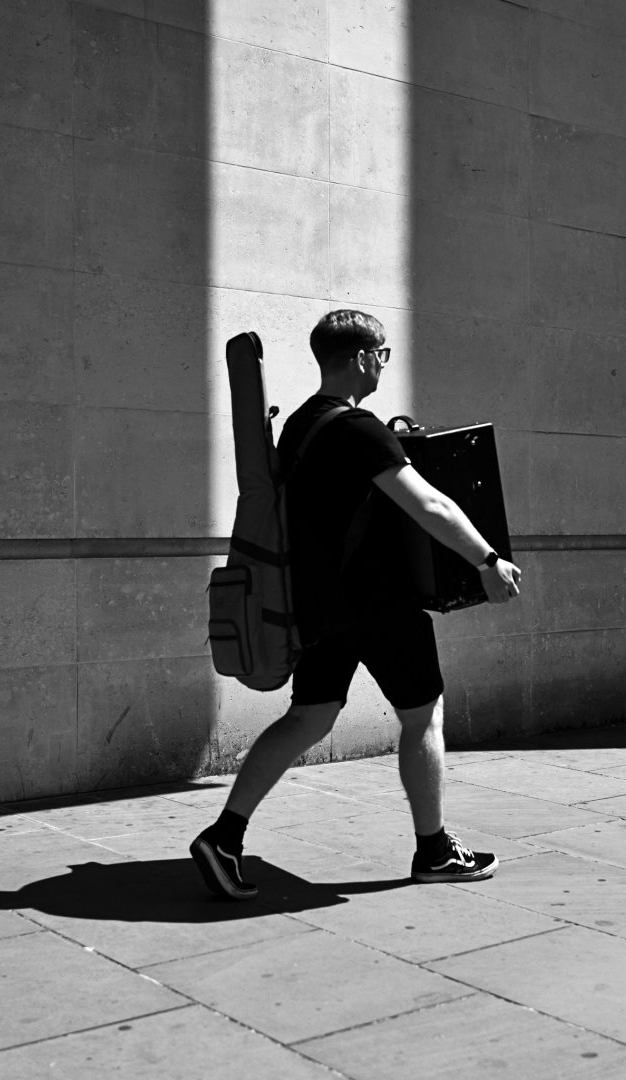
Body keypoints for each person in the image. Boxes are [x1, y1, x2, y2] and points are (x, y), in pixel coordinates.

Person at [190, 310, 522, 900]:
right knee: (423, 716)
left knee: (308, 718)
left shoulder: (299, 425)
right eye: (383, 355)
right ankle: (435, 850)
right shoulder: (359, 429)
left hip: (319, 607)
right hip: (380, 603)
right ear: (364, 357)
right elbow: (430, 505)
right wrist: (487, 561)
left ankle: (224, 836)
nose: (382, 366)